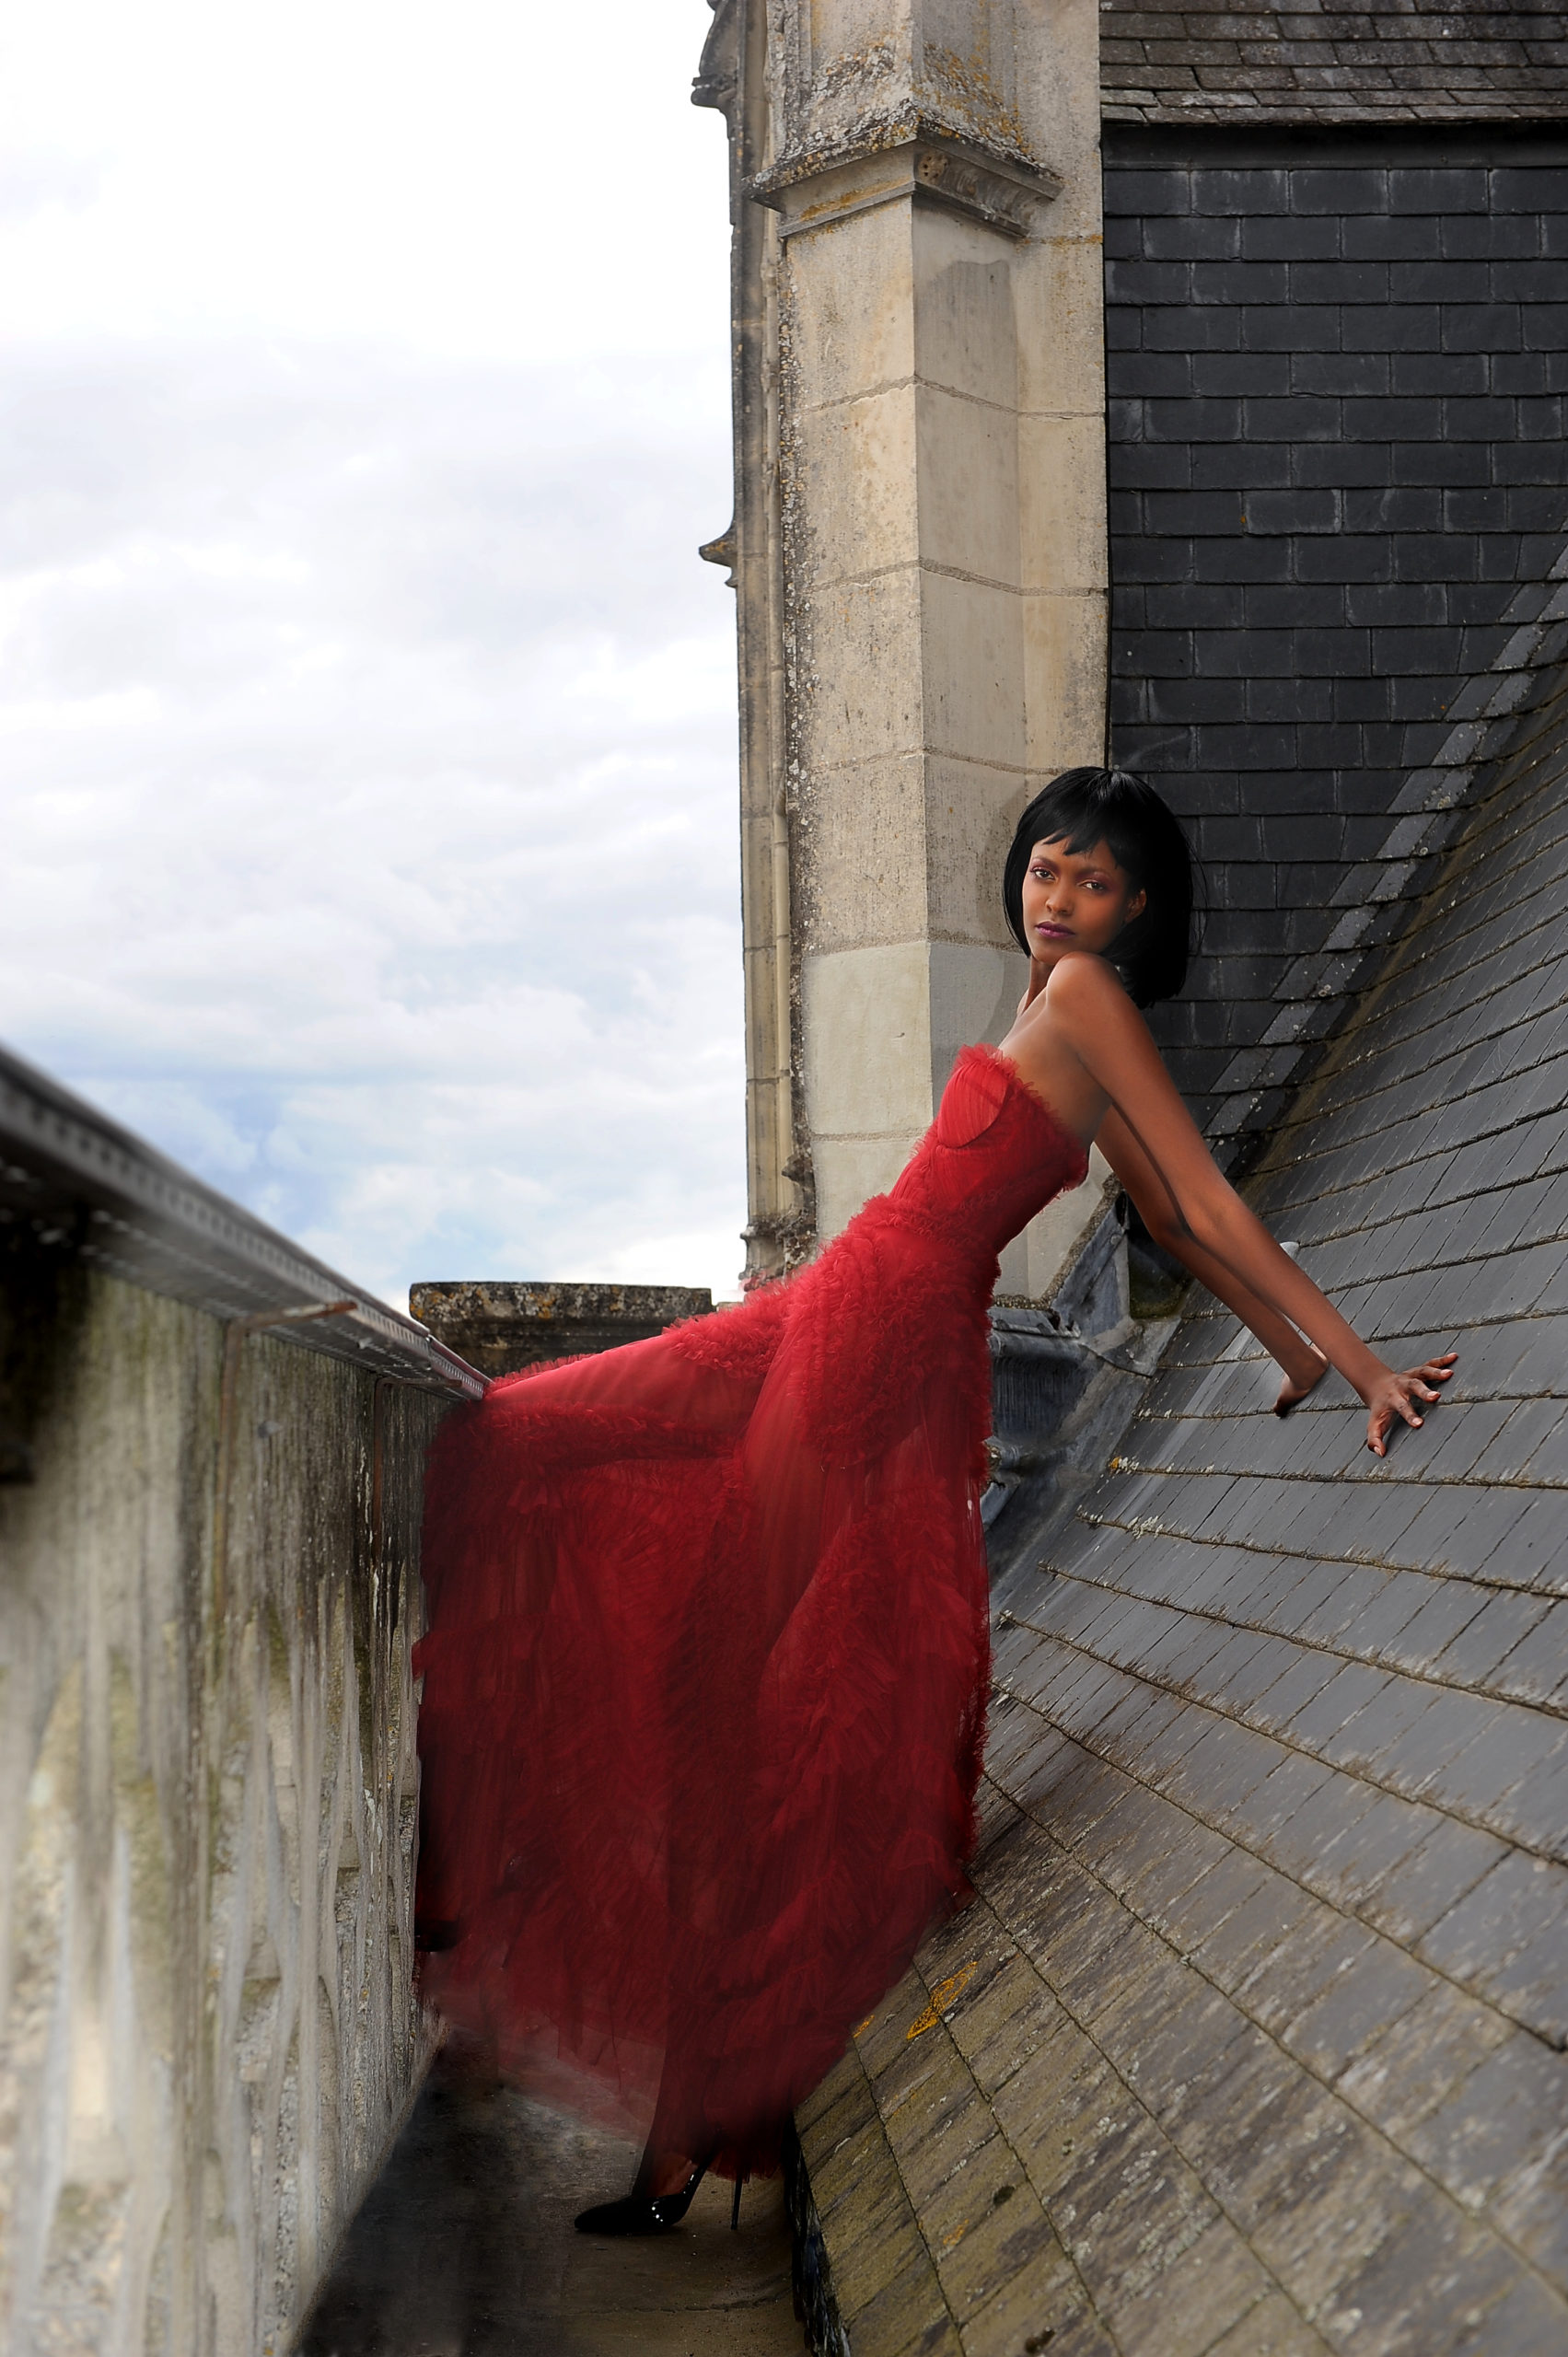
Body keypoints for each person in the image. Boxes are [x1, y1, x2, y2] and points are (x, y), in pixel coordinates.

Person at [412, 766, 1454, 2235]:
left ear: (1136, 908)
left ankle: (679, 2113)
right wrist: (1284, 1361)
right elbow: (1161, 1221)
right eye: (1046, 867)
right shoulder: (1050, 1006)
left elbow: (1206, 1201)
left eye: (1092, 881)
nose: (1057, 898)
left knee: (724, 1688)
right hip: (842, 1300)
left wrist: (1355, 1365)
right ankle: (534, 1940)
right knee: (527, 1431)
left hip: (879, 1335)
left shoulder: (1084, 997)